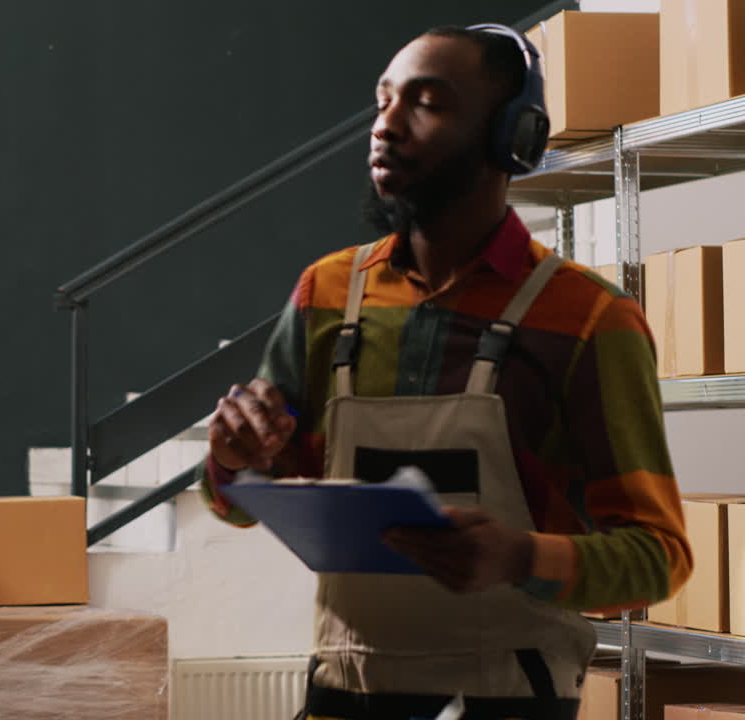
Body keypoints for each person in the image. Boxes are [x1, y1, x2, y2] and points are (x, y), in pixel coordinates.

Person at [200, 24, 690, 720]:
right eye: (383, 101)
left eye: (425, 103)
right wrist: (230, 462)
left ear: (510, 135)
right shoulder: (326, 294)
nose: (386, 126)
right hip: (344, 696)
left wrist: (522, 557)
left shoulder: (588, 318)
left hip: (511, 702)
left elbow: (657, 558)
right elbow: (236, 500)